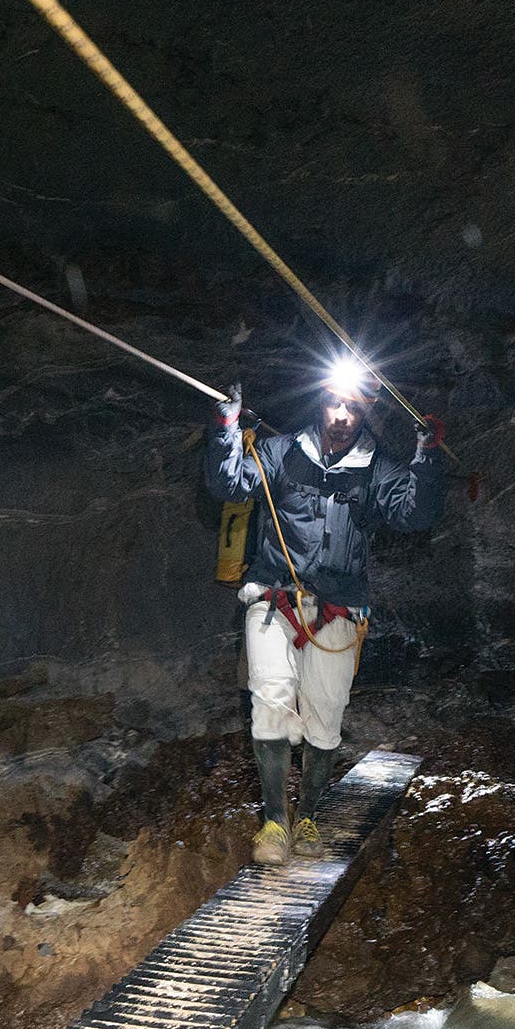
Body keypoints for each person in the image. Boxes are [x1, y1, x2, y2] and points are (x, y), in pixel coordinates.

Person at [204, 359, 447, 863]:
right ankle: (275, 822)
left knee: (324, 715)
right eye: (335, 402)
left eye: (353, 407)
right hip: (274, 599)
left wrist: (428, 455)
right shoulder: (279, 451)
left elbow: (415, 512)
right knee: (269, 698)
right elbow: (230, 486)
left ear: (365, 412)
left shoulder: (377, 468)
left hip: (339, 608)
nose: (341, 414)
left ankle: (309, 815)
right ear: (322, 402)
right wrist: (227, 428)